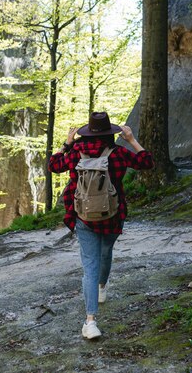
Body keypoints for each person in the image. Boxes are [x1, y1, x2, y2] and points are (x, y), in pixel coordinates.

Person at [49, 111, 154, 340]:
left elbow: (53, 165)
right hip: (112, 215)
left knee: (89, 266)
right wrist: (132, 140)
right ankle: (102, 288)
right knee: (106, 252)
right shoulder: (118, 153)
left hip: (83, 216)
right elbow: (147, 162)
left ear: (87, 132)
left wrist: (66, 144)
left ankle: (90, 322)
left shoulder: (76, 152)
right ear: (111, 133)